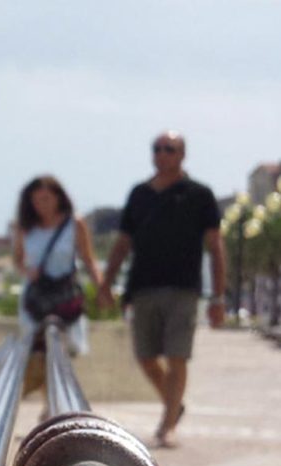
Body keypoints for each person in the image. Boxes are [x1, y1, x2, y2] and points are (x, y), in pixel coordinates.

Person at [97, 131, 226, 448]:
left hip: (183, 289)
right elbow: (123, 242)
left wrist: (219, 296)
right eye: (157, 148)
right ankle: (174, 404)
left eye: (169, 149)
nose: (162, 154)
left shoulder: (199, 194)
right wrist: (106, 282)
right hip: (143, 287)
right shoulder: (140, 194)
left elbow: (215, 245)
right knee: (146, 357)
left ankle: (168, 424)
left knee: (177, 355)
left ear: (182, 154)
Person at [13, 175, 103, 356]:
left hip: (64, 293)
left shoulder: (74, 224)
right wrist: (28, 272)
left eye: (46, 199)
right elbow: (17, 259)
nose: (41, 205)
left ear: (58, 198)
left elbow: (88, 258)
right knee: (34, 350)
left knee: (67, 351)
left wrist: (101, 288)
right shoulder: (25, 227)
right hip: (37, 295)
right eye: (36, 201)